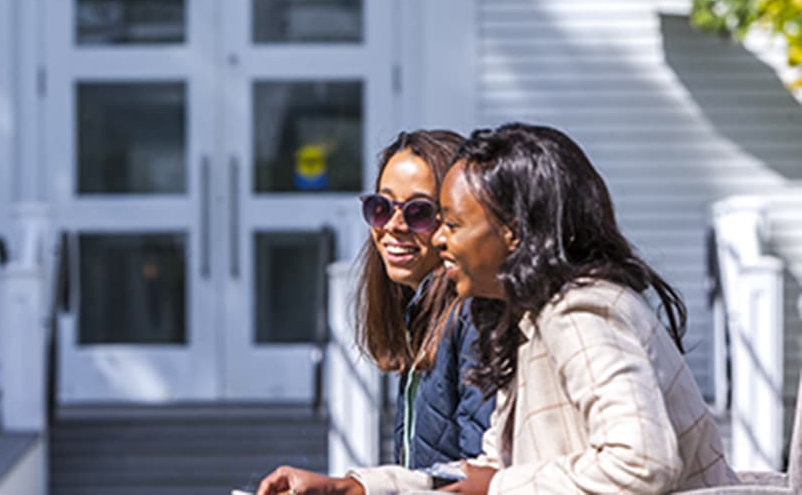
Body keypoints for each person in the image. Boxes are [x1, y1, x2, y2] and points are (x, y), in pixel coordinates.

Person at [434, 123, 737, 494]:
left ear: (512, 231)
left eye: (452, 223)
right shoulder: (529, 317)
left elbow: (641, 463)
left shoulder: (579, 312)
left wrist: (500, 485)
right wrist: (374, 486)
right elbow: (493, 468)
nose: (438, 238)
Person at [257, 130, 494, 495]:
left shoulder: (474, 316)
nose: (394, 227)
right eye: (381, 208)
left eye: (419, 212)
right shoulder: (423, 317)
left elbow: (482, 475)